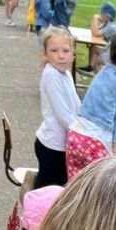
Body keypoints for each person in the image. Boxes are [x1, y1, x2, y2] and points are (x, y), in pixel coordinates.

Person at [66, 30, 116, 179]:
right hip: (96, 143)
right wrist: (115, 150)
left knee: (74, 192)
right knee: (98, 197)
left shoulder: (103, 71)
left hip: (75, 137)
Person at [34, 25, 80, 189]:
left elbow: (76, 104)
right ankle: (34, 213)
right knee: (47, 191)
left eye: (65, 51)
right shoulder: (51, 74)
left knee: (58, 189)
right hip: (52, 145)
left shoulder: (66, 74)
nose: (61, 56)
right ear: (45, 54)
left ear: (72, 53)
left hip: (63, 144)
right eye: (54, 51)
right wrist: (81, 132)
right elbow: (63, 115)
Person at [79, 1, 116, 74]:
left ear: (107, 16)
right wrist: (95, 21)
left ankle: (99, 77)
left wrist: (95, 18)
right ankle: (90, 67)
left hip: (115, 54)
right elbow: (95, 30)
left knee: (97, 61)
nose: (99, 14)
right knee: (93, 46)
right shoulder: (107, 23)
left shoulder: (112, 26)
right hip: (110, 49)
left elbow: (95, 33)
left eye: (101, 13)